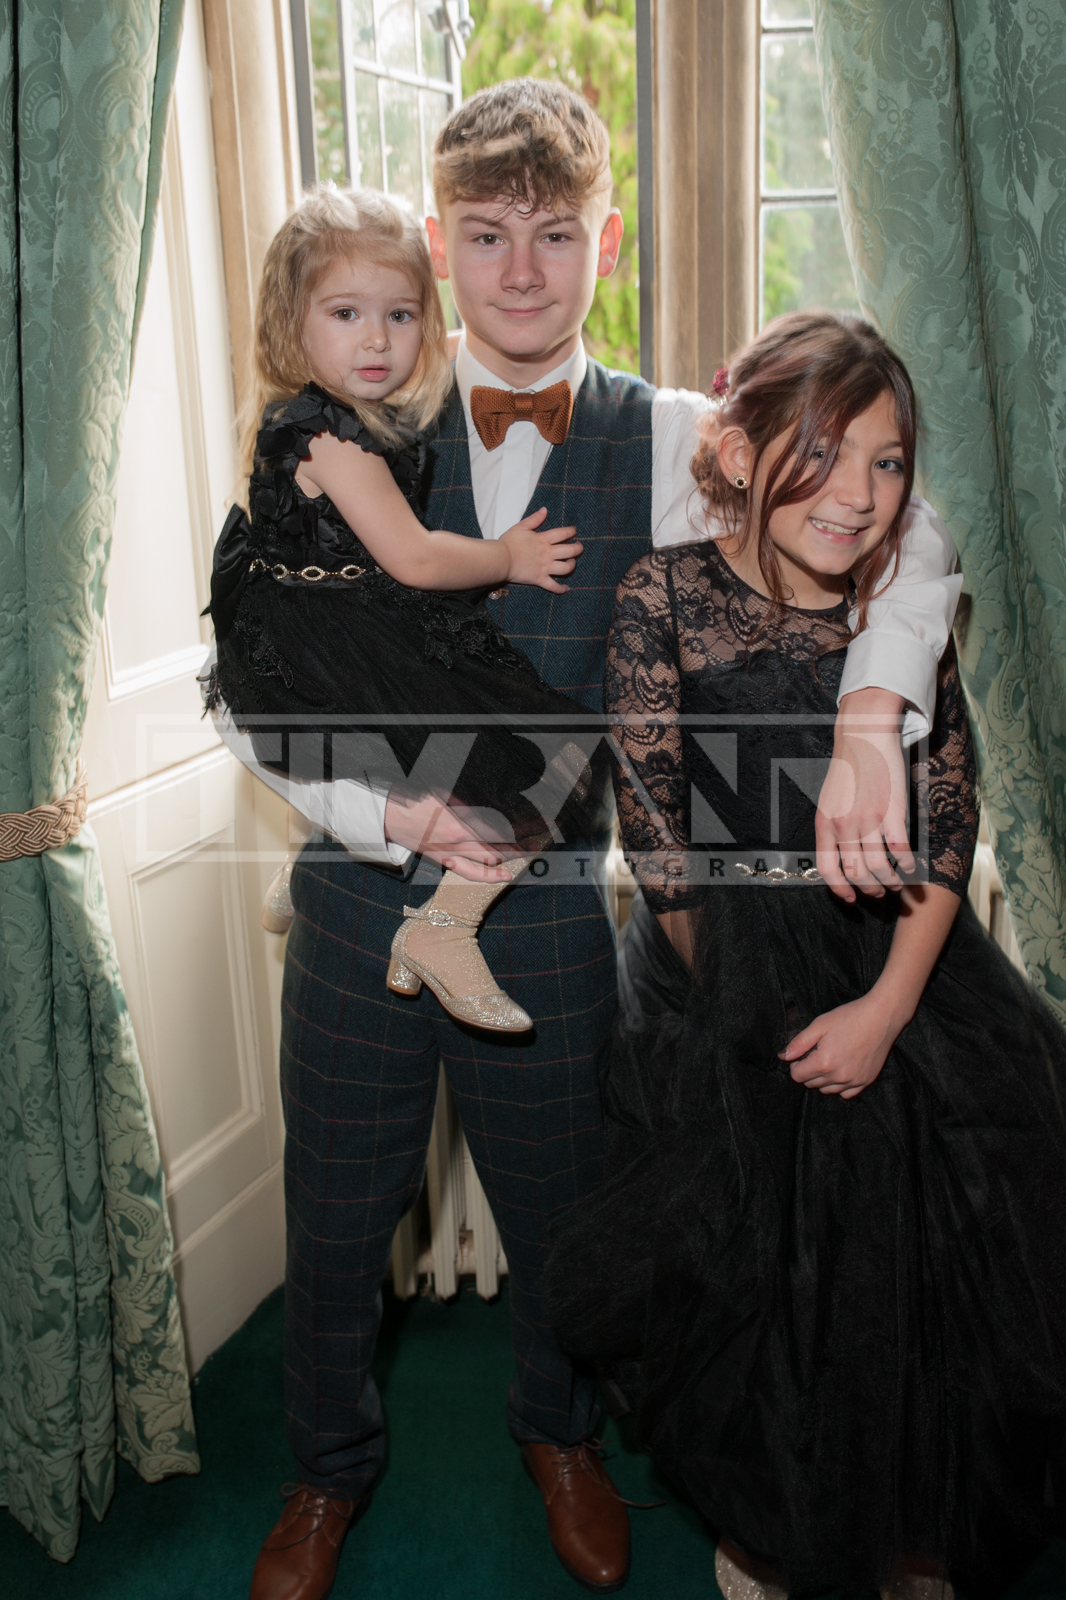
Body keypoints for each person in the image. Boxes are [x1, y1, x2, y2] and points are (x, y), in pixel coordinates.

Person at [200, 81, 961, 1600]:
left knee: (565, 1217)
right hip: (353, 902)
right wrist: (384, 812)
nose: (522, 270)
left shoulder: (677, 436)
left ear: (604, 242)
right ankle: (325, 1470)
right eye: (486, 235)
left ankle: (560, 1438)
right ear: (438, 245)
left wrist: (875, 717)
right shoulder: (345, 420)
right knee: (333, 1220)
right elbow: (241, 678)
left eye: (556, 234)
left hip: (551, 909)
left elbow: (903, 525)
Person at [545, 311, 1066, 1600]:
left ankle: (901, 1530)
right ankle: (771, 1529)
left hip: (903, 972)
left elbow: (949, 822)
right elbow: (656, 834)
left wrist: (884, 1009)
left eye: (886, 463)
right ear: (741, 450)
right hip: (722, 983)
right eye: (823, 453)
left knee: (919, 1273)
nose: (857, 493)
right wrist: (739, 1022)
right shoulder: (662, 597)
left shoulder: (900, 608)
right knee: (768, 1282)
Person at [207, 185, 613, 1033]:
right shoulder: (332, 435)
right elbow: (416, 557)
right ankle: (444, 926)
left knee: (373, 743)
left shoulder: (324, 416)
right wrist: (508, 556)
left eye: (399, 316)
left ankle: (299, 871)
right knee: (555, 757)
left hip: (316, 626)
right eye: (346, 313)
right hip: (343, 636)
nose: (377, 339)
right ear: (290, 323)